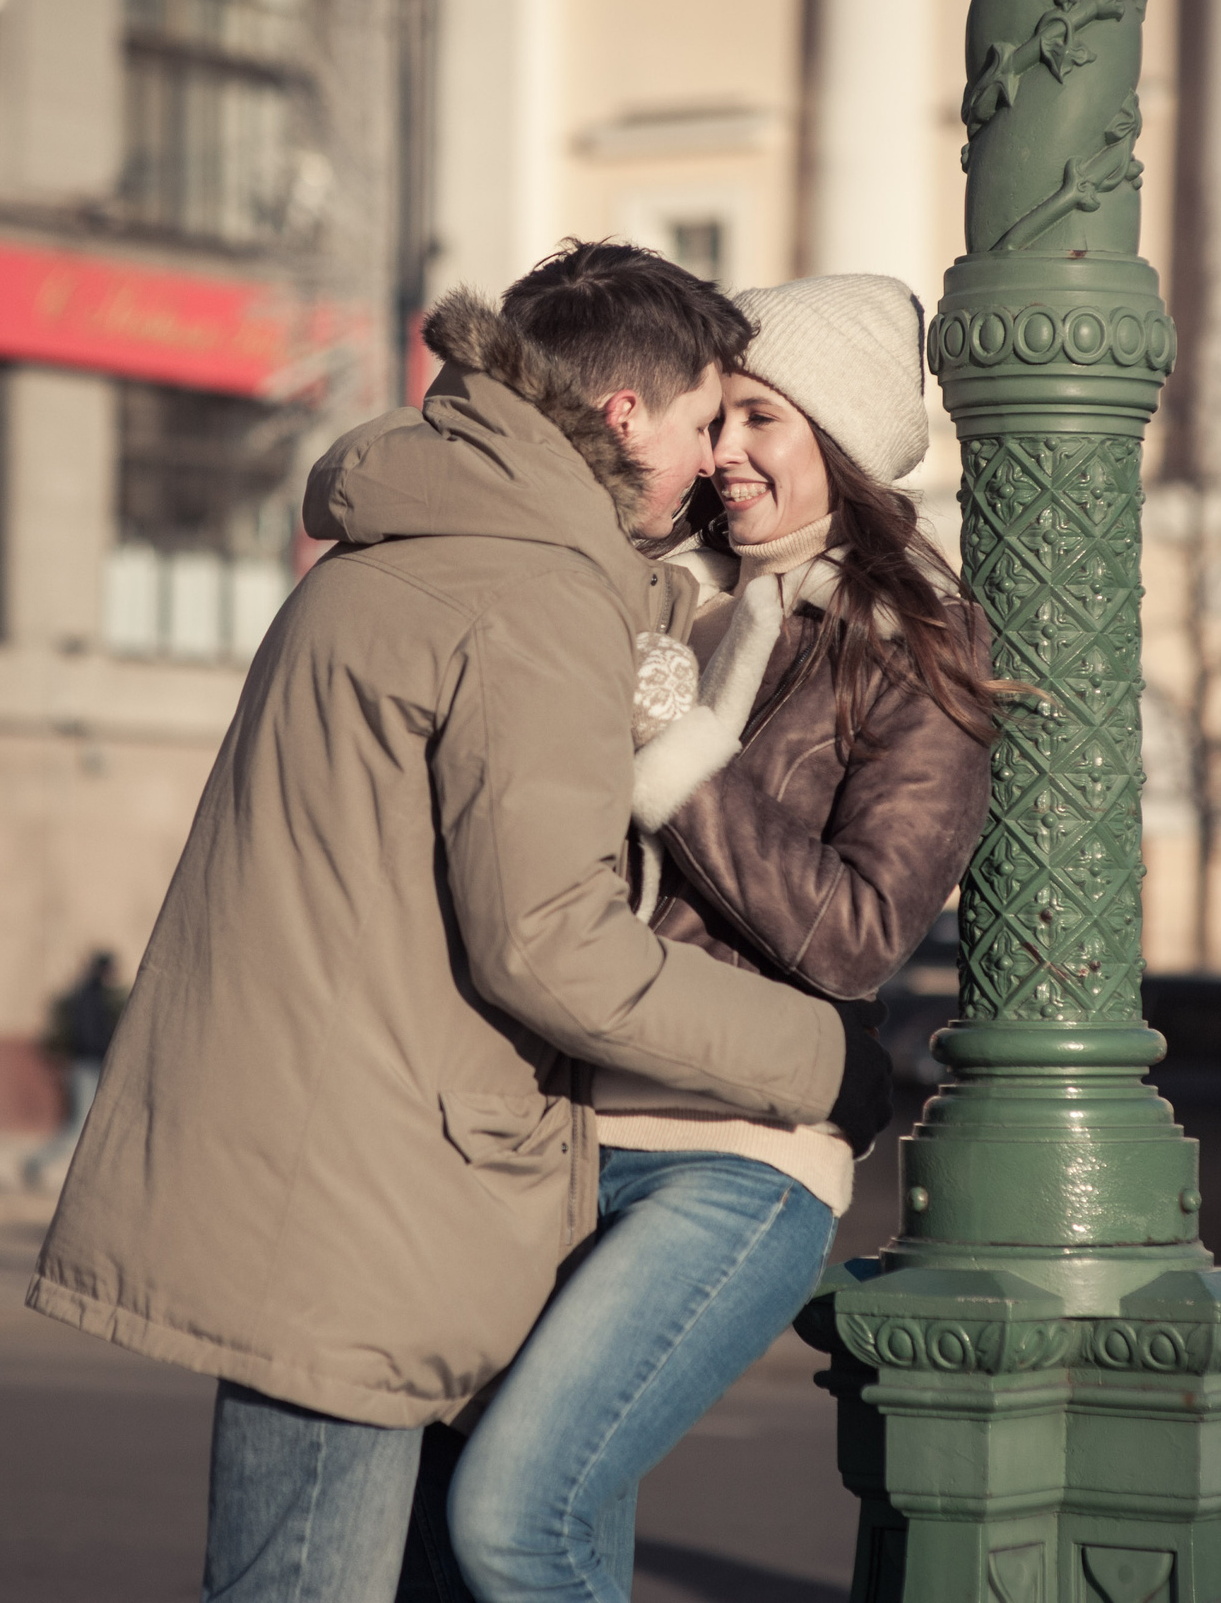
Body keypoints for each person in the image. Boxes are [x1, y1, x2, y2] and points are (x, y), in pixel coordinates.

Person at [26, 242, 897, 1603]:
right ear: (624, 418)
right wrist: (827, 1062)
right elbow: (553, 946)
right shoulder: (533, 600)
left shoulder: (395, 555)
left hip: (295, 1162)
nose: (711, 458)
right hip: (373, 1195)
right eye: (703, 417)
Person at [437, 273, 1006, 1603]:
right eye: (720, 417)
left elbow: (862, 935)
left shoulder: (908, 648)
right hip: (551, 1138)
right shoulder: (634, 597)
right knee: (510, 1540)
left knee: (515, 1521)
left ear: (844, 443)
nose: (726, 451)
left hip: (736, 1160)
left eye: (765, 418)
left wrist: (684, 758)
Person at [20, 950, 124, 1190]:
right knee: (78, 1126)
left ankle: (97, 1176)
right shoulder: (89, 997)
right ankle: (35, 1163)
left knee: (98, 1124)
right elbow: (88, 1038)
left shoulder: (95, 996)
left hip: (90, 1066)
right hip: (87, 1067)